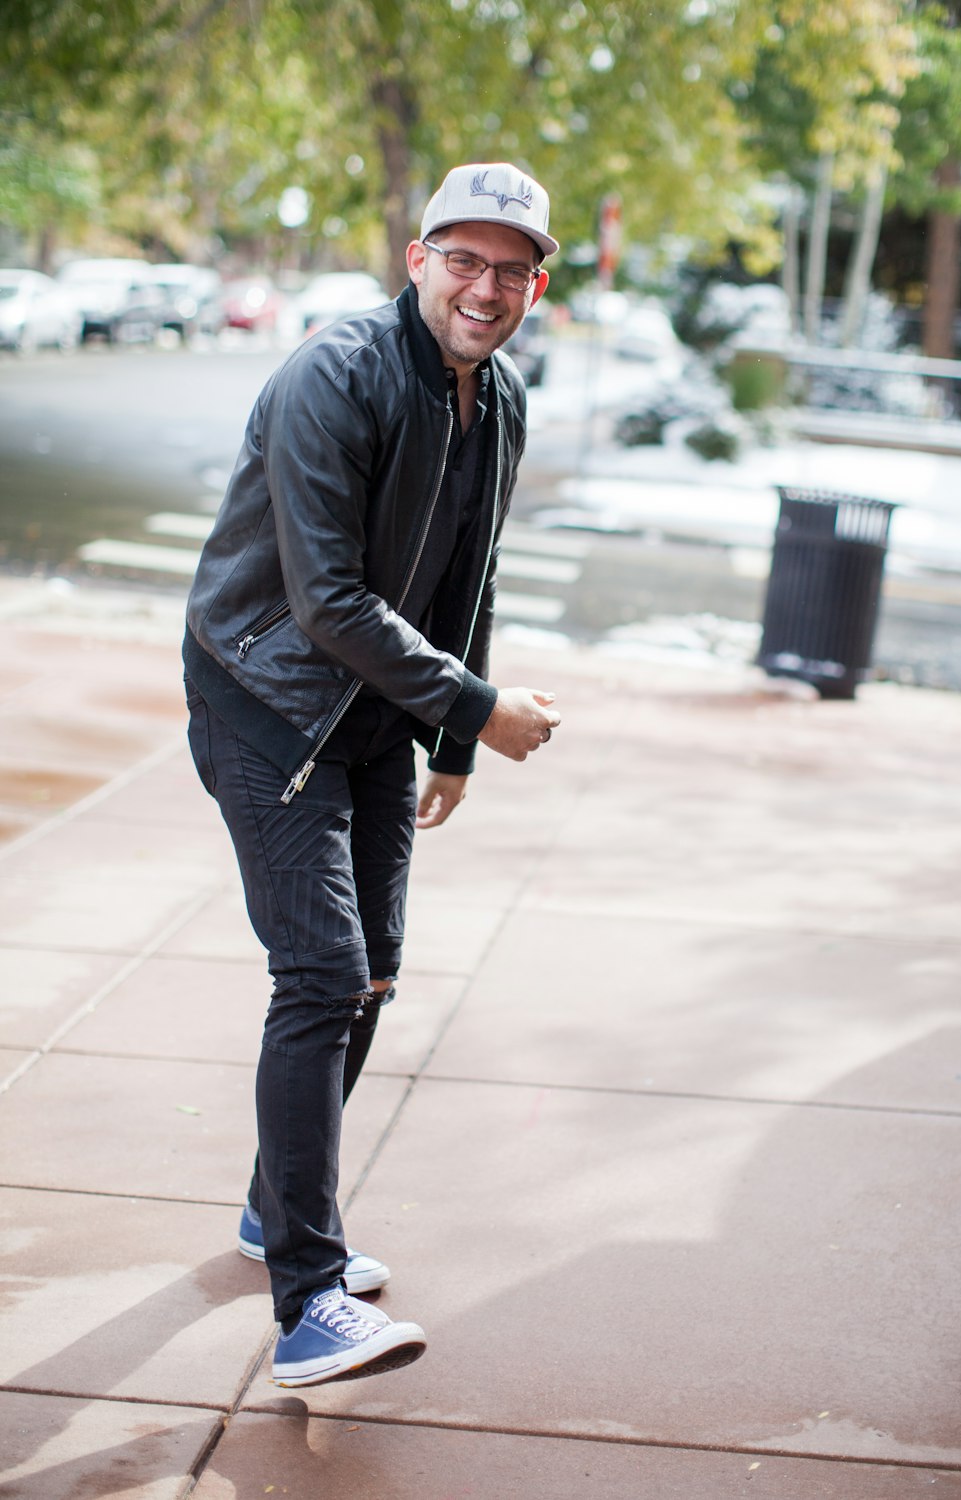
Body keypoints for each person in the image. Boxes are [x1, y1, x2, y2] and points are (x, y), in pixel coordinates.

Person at [182, 162, 561, 1388]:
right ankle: (305, 1300)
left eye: (510, 270)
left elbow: (470, 579)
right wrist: (478, 708)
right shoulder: (333, 376)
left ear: (535, 285)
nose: (485, 287)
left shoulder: (496, 400)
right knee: (323, 976)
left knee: (375, 974)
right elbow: (326, 599)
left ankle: (267, 1206)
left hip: (377, 712)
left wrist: (450, 741)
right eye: (464, 259)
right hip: (268, 696)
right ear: (418, 259)